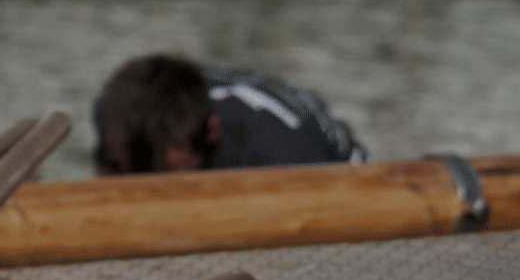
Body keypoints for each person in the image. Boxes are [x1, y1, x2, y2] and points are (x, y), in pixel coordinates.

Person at [92, 54, 367, 175]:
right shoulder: (113, 107)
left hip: (334, 173)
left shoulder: (284, 142)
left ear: (212, 130)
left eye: (168, 170)